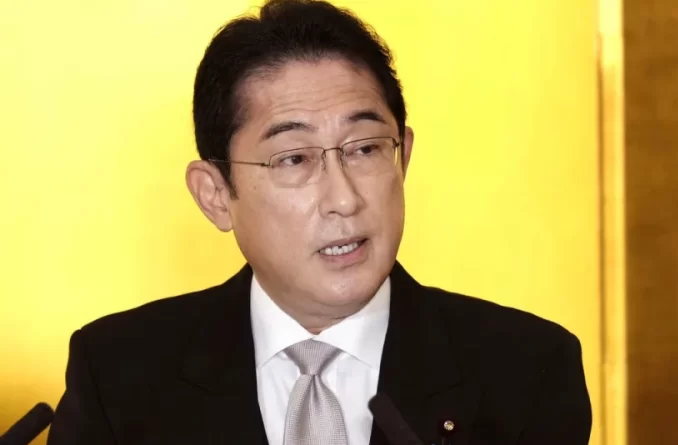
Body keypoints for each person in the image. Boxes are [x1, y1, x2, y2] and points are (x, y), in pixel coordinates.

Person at [47, 0, 592, 444]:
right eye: (293, 159)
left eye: (365, 148)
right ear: (214, 195)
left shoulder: (526, 371)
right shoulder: (118, 376)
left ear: (402, 157)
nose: (343, 199)